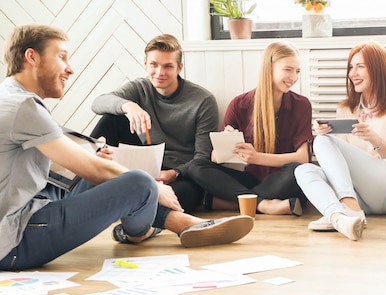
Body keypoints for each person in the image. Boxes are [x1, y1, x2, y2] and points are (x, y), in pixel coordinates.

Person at [0, 24, 254, 271]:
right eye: (62, 57)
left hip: (26, 215)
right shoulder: (23, 106)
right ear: (31, 57)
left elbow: (53, 161)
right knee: (139, 184)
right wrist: (154, 188)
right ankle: (140, 231)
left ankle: (177, 223)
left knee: (112, 173)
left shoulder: (10, 96)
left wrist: (95, 156)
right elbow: (92, 169)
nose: (70, 69)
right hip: (15, 241)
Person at [294, 40, 386, 241]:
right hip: (359, 195)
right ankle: (339, 216)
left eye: (360, 66)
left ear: (378, 69)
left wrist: (373, 138)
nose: (352, 73)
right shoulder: (345, 109)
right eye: (351, 67)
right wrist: (325, 133)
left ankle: (347, 208)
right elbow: (340, 168)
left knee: (323, 141)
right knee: (303, 169)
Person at [90, 33, 216, 213]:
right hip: (142, 164)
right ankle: (86, 180)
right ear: (145, 63)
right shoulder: (140, 87)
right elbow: (98, 103)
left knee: (180, 198)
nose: (159, 72)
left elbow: (202, 157)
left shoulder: (203, 100)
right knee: (111, 117)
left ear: (179, 68)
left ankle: (138, 216)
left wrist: (172, 174)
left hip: (179, 174)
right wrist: (128, 106)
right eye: (154, 64)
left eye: (168, 66)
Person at [188, 41, 313, 216]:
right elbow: (215, 157)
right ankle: (263, 204)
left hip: (282, 180)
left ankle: (234, 204)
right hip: (251, 181)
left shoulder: (302, 105)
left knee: (297, 170)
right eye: (288, 69)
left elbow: (303, 158)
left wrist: (256, 158)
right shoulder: (240, 104)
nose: (294, 77)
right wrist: (227, 142)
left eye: (297, 71)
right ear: (269, 68)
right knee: (196, 166)